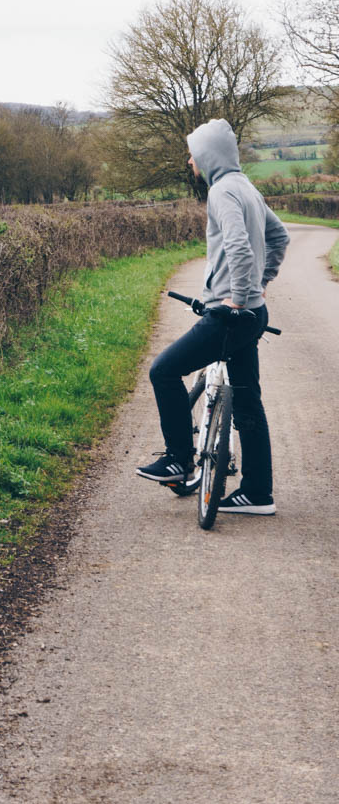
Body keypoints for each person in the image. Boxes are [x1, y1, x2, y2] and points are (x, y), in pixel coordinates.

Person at [136, 118, 289, 515]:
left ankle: (178, 460)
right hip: (252, 314)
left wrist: (240, 295)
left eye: (193, 152)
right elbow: (279, 237)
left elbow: (238, 245)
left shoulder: (222, 191)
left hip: (231, 314)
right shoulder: (247, 188)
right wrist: (261, 284)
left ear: (207, 155)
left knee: (164, 372)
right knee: (249, 402)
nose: (190, 160)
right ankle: (257, 493)